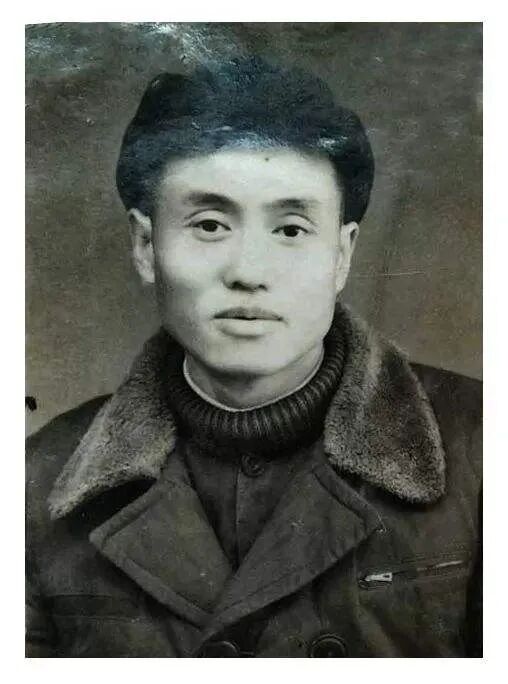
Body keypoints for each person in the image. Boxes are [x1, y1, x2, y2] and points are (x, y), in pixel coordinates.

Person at [26, 56, 482, 658]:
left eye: (290, 230)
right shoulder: (37, 480)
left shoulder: (482, 445)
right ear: (145, 245)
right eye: (210, 225)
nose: (249, 272)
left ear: (341, 255)